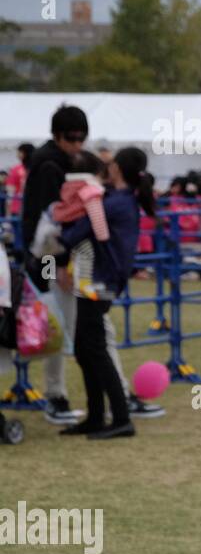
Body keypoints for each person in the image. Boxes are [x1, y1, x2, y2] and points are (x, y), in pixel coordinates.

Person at [57, 147, 155, 439]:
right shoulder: (121, 201)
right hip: (97, 281)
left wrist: (57, 224)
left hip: (96, 282)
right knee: (85, 350)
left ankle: (120, 417)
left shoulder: (112, 203)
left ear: (117, 170)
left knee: (94, 350)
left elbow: (76, 234)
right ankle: (97, 415)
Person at [20, 106, 89, 425]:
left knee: (54, 325)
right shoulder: (50, 166)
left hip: (47, 256)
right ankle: (55, 396)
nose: (78, 144)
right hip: (48, 258)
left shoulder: (52, 162)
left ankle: (56, 394)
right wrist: (60, 263)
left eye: (81, 138)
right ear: (58, 136)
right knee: (54, 325)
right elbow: (50, 221)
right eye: (73, 138)